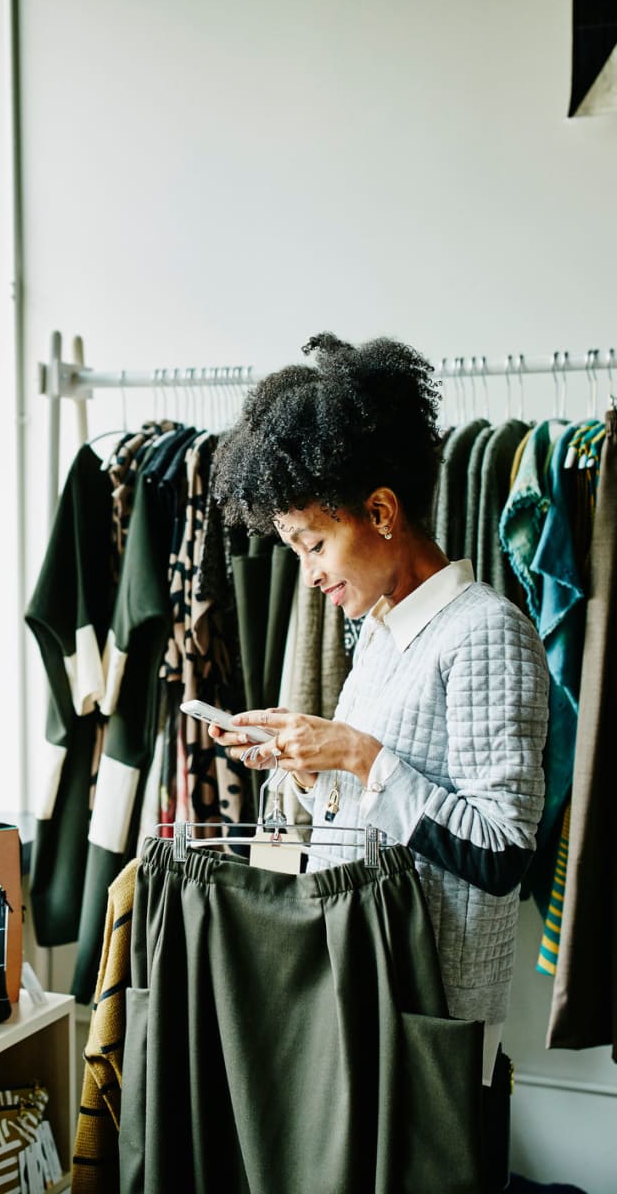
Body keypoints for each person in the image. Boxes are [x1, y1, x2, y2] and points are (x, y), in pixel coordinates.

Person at [207, 331, 550, 1092]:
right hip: (363, 994)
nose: (309, 575)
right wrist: (304, 767)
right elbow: (374, 812)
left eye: (315, 544)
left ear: (383, 511)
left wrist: (358, 754)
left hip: (433, 1019)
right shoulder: (382, 635)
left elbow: (502, 854)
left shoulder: (486, 631)